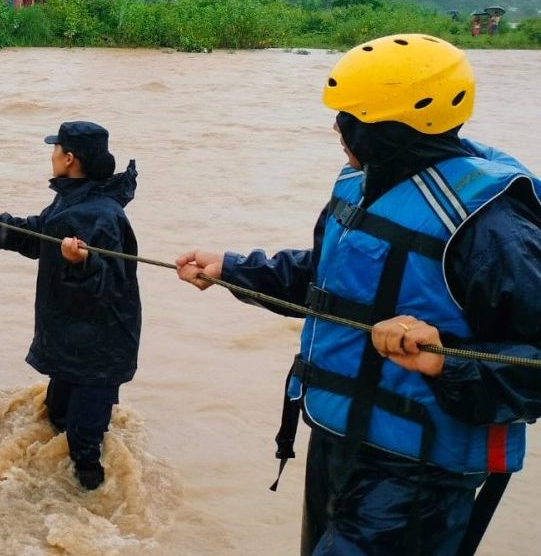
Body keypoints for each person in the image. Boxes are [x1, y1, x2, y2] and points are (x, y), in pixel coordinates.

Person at [174, 34, 541, 556]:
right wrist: (233, 270)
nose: (337, 128)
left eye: (350, 117)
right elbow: (329, 281)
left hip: (419, 477)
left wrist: (443, 360)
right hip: (336, 439)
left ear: (393, 131)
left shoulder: (492, 227)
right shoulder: (361, 184)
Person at [0, 121, 141, 491]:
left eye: (55, 149)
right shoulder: (73, 197)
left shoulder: (104, 216)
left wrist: (84, 262)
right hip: (72, 335)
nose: (52, 155)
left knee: (83, 443)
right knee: (56, 413)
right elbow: (40, 235)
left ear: (70, 159)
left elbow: (112, 284)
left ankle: (90, 505)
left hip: (100, 349)